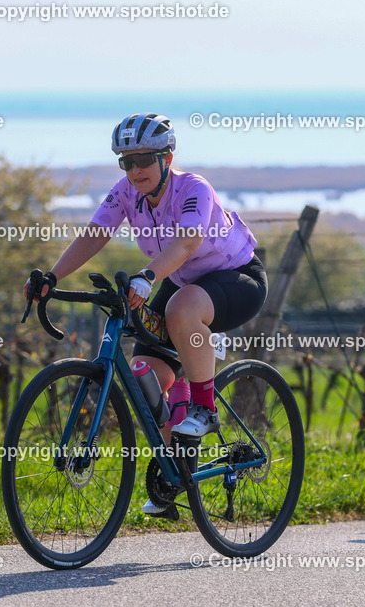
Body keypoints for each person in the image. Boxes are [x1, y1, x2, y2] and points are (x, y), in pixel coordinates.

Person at [25, 112, 267, 514]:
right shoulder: (124, 192)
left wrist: (147, 276)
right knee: (145, 375)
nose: (135, 170)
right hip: (181, 277)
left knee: (181, 307)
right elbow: (94, 234)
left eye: (143, 160)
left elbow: (188, 243)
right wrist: (51, 275)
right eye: (127, 162)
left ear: (167, 157)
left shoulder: (194, 189)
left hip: (234, 275)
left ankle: (204, 410)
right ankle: (176, 469)